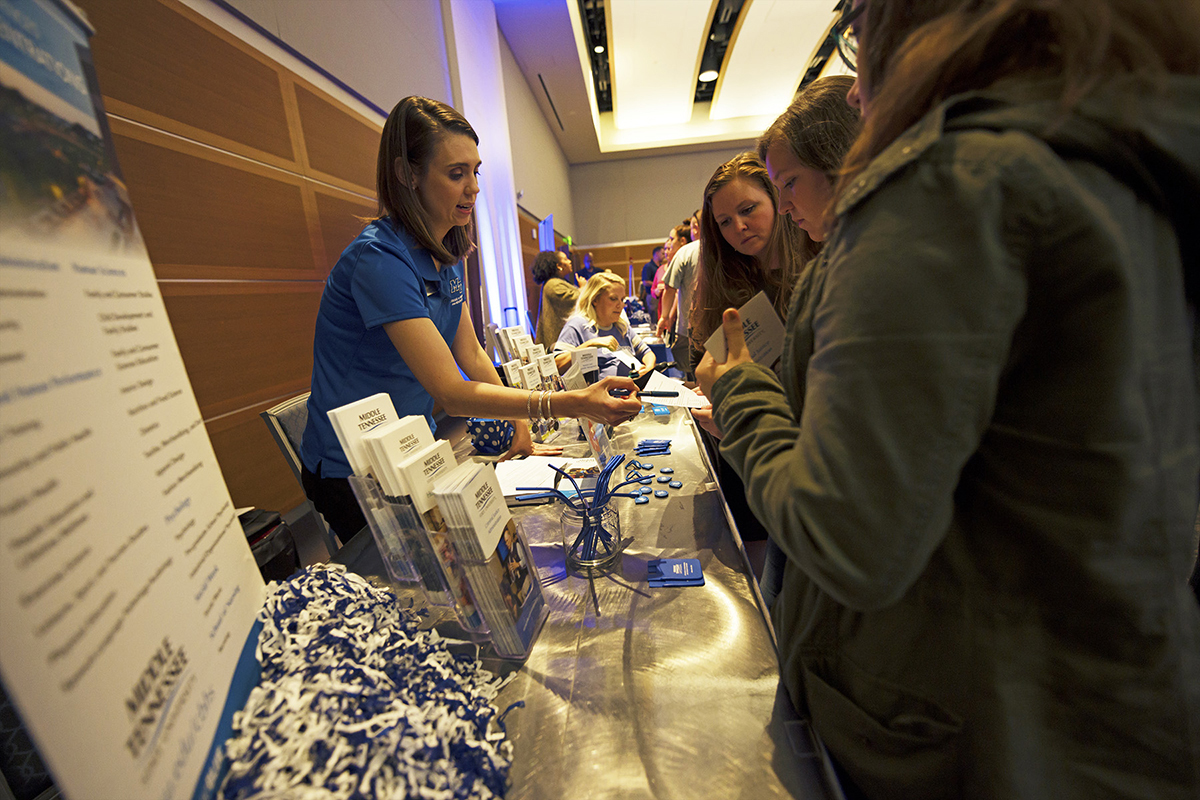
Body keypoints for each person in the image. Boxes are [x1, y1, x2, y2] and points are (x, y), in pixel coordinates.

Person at [697, 1, 1200, 796]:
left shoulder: (951, 184)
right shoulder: (1113, 150)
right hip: (1094, 703)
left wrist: (743, 393)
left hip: (974, 736)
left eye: (860, 33)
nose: (859, 92)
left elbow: (848, 533)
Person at [299, 96, 642, 542]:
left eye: (475, 172)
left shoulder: (446, 253)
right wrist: (567, 403)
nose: (473, 188)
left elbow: (473, 356)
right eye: (456, 173)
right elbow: (451, 392)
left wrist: (520, 425)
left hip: (408, 449)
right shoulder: (378, 259)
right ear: (406, 175)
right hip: (353, 472)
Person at [554, 272, 655, 378]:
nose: (620, 305)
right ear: (595, 300)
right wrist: (590, 344)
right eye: (613, 299)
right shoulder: (577, 325)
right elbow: (558, 366)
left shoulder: (621, 326)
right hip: (602, 393)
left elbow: (646, 352)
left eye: (622, 300)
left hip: (631, 390)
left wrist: (648, 368)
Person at [657, 209, 702, 376]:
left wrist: (664, 317)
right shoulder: (726, 247)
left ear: (695, 227)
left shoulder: (686, 251)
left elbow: (670, 288)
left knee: (691, 373)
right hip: (721, 327)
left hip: (690, 328)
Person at [532, 249, 579, 349]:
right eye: (566, 259)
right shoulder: (553, 284)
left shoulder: (557, 282)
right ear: (559, 266)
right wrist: (584, 288)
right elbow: (575, 300)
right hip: (557, 343)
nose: (570, 261)